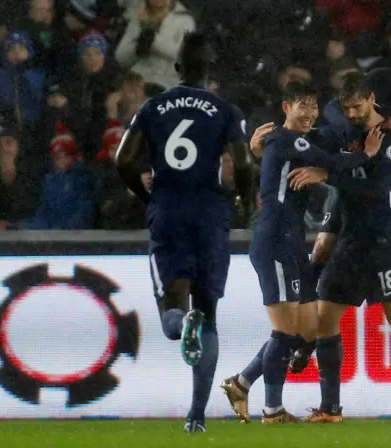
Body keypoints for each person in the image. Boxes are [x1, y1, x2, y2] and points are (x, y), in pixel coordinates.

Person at [293, 37, 391, 424]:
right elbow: (323, 127)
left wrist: (335, 170)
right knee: (324, 285)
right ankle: (329, 400)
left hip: (386, 221)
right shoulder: (357, 110)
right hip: (354, 222)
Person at [114, 31, 253, 433]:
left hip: (169, 209)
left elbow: (124, 159)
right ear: (210, 71)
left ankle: (181, 322)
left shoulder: (154, 107)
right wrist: (242, 201)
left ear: (177, 68)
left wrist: (146, 197)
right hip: (210, 214)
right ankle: (196, 416)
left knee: (172, 310)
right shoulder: (226, 110)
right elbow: (243, 163)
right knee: (208, 315)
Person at [220, 81, 382, 424]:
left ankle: (242, 381)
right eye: (301, 106)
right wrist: (365, 154)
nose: (308, 113)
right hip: (275, 241)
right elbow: (329, 158)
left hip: (291, 242)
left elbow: (325, 144)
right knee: (287, 331)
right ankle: (272, 410)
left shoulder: (294, 141)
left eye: (313, 105)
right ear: (285, 108)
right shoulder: (283, 138)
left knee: (309, 327)